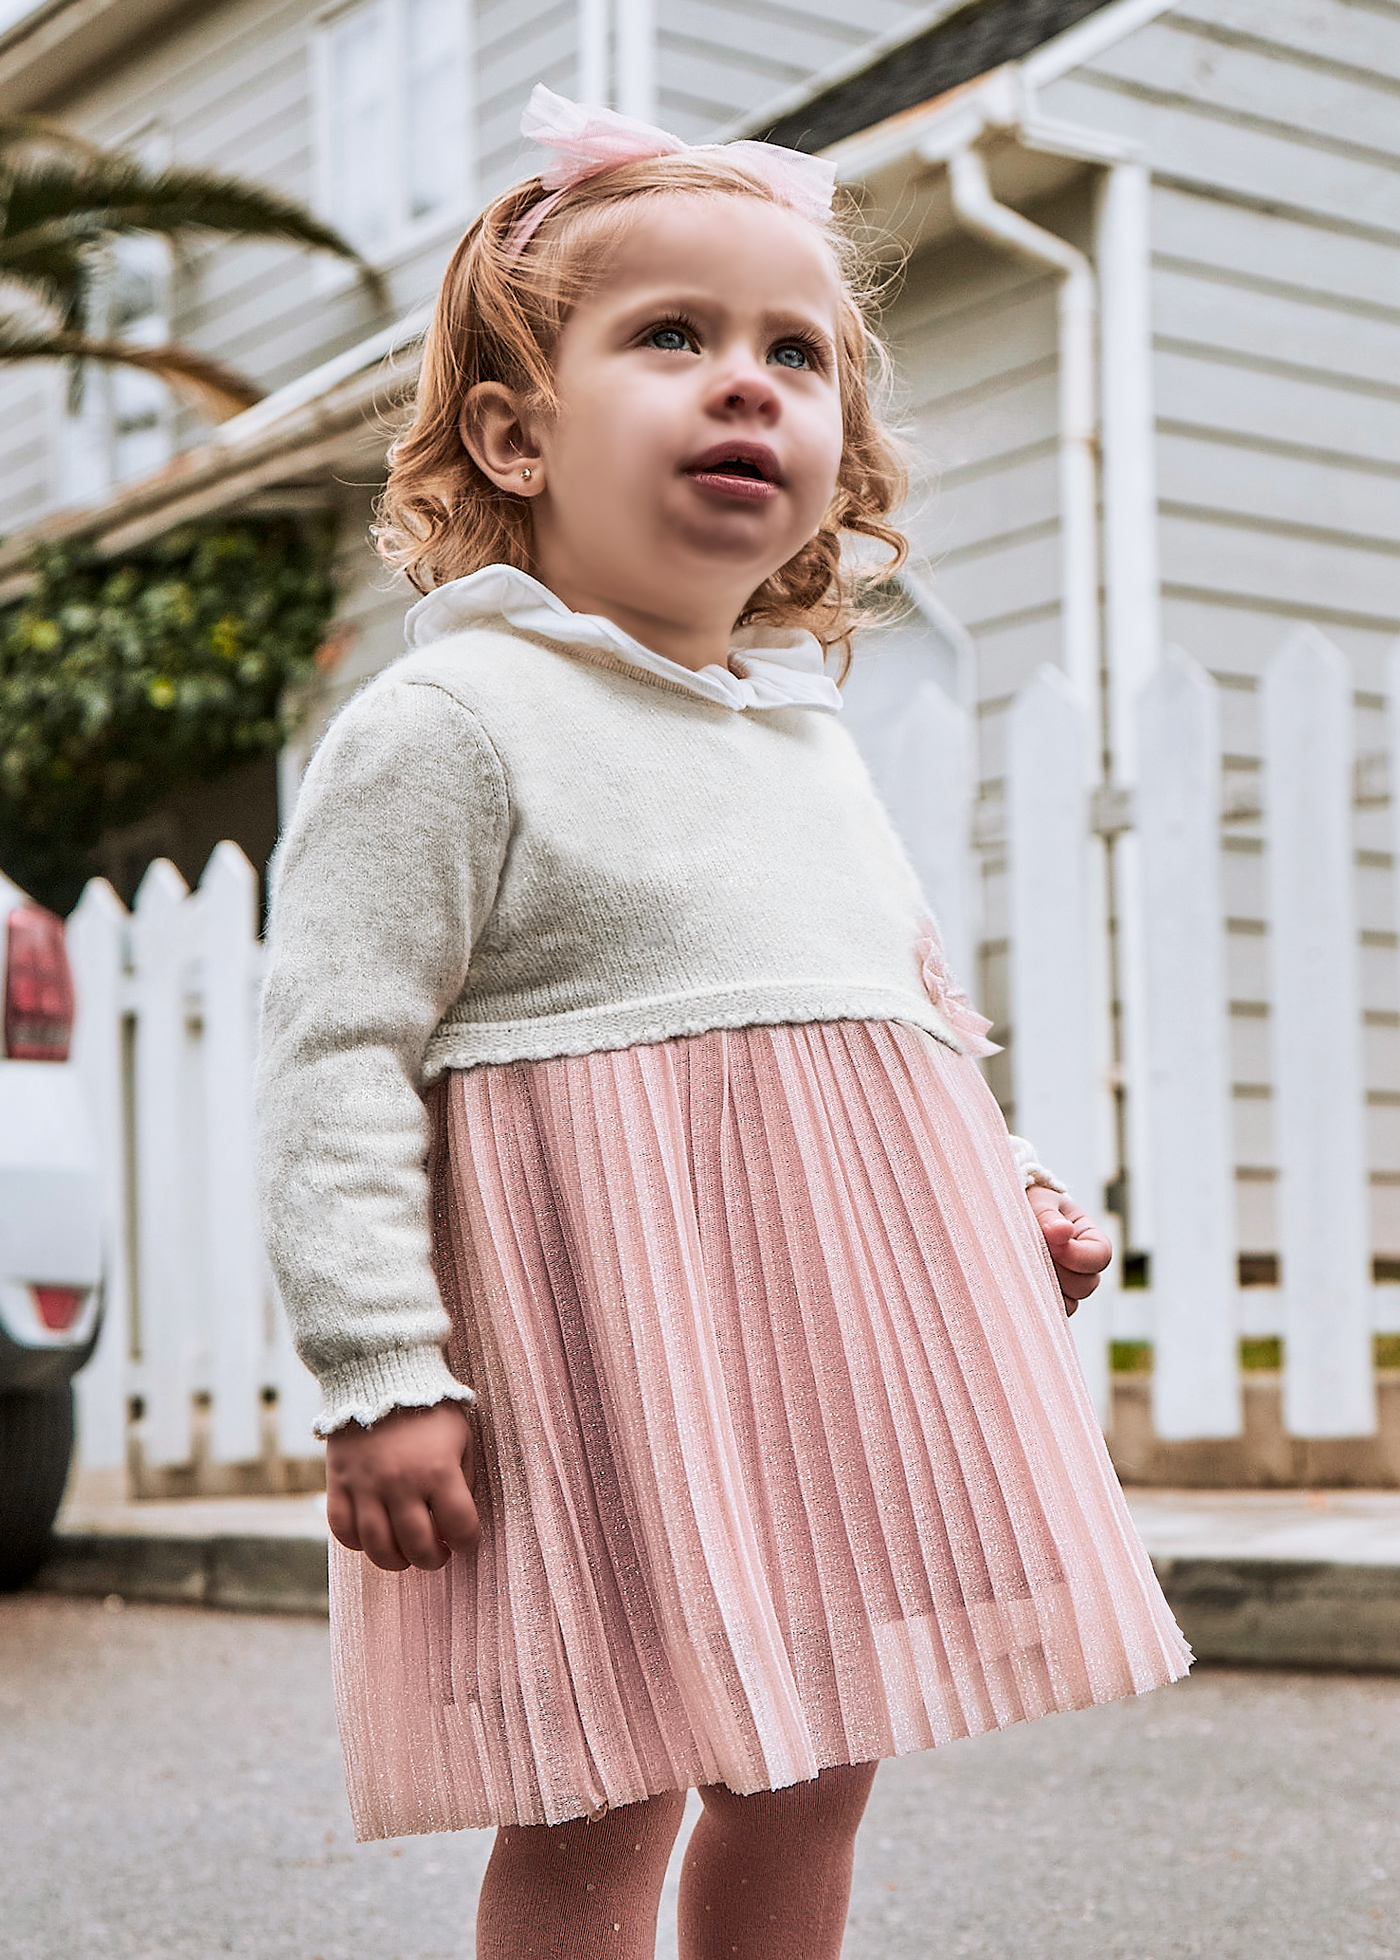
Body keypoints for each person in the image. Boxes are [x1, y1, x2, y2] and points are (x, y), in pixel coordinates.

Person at [256, 85, 1191, 1960]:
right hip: (597, 1364)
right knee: (612, 1775)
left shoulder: (800, 744)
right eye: (670, 337)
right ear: (515, 435)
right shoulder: (458, 728)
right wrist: (382, 1367)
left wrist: (998, 1190)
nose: (746, 381)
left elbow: (891, 1017)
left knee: (821, 1752)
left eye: (796, 352)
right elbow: (334, 1060)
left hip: (806, 1350)